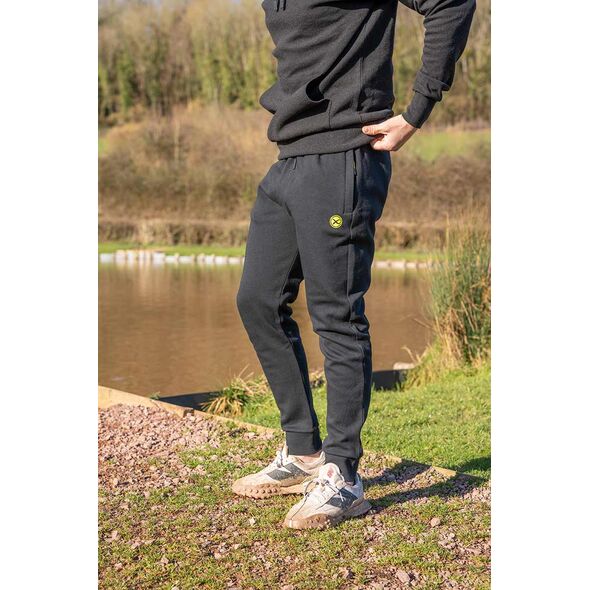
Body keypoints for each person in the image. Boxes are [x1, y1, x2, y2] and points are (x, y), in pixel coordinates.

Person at [233, 0, 475, 529]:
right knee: (257, 301)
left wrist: (416, 110)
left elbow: (450, 3)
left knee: (336, 316)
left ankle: (342, 475)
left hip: (343, 152)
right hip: (289, 154)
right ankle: (303, 452)